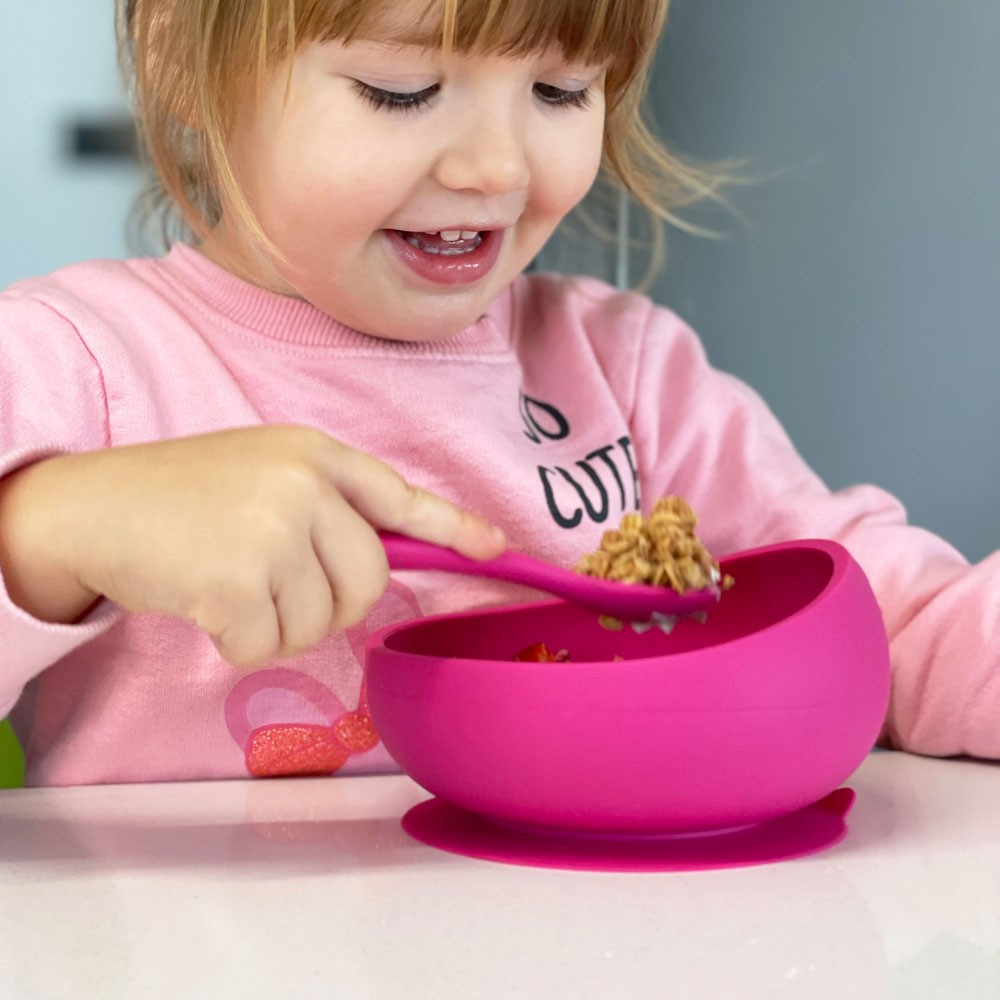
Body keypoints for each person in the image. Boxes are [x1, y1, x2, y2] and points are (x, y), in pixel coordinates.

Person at [0, 0, 996, 787]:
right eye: (402, 89)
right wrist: (51, 533)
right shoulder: (72, 362)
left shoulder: (624, 374)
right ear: (180, 55)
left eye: (561, 90)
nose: (498, 167)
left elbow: (882, 618)